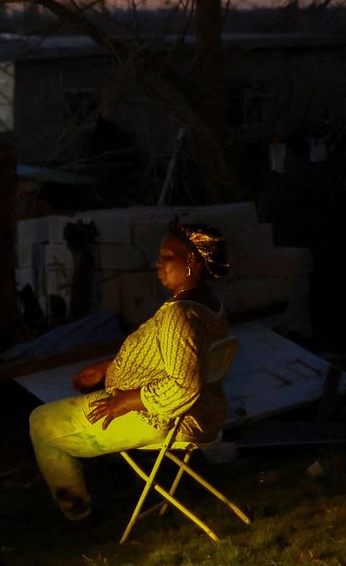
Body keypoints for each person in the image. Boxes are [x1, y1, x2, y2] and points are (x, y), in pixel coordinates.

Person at [28, 223, 231, 526]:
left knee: (41, 422)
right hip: (204, 412)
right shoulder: (209, 305)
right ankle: (103, 491)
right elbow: (173, 360)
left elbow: (183, 385)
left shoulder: (181, 316)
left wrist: (126, 401)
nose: (158, 263)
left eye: (167, 256)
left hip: (165, 417)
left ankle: (78, 515)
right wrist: (109, 368)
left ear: (192, 262)